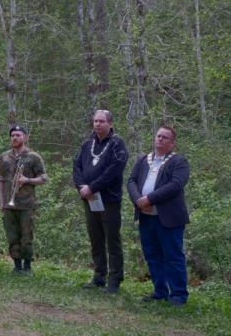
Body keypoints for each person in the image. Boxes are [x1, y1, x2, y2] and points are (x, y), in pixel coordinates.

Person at [127, 126, 190, 306]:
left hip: (169, 218)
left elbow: (176, 184)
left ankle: (178, 294)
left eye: (164, 137)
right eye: (158, 136)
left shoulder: (179, 162)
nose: (160, 139)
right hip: (146, 217)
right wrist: (138, 199)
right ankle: (160, 291)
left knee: (173, 256)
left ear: (172, 142)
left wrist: (150, 198)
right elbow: (131, 181)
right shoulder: (143, 160)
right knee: (152, 255)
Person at [72, 110, 129, 293]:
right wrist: (82, 187)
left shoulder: (117, 144)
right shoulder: (87, 143)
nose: (97, 124)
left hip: (109, 200)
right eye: (95, 121)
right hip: (89, 199)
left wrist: (93, 187)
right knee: (95, 239)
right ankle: (99, 276)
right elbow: (77, 166)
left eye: (101, 121)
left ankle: (115, 279)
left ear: (110, 124)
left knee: (112, 240)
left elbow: (114, 170)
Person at [0, 125, 47, 275]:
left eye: (18, 135)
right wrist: (1, 201)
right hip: (9, 204)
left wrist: (27, 180)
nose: (15, 138)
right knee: (12, 236)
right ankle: (16, 265)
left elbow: (44, 178)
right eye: (12, 135)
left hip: (26, 204)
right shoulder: (5, 156)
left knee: (26, 236)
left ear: (25, 137)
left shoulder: (33, 156)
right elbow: (0, 179)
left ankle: (27, 266)